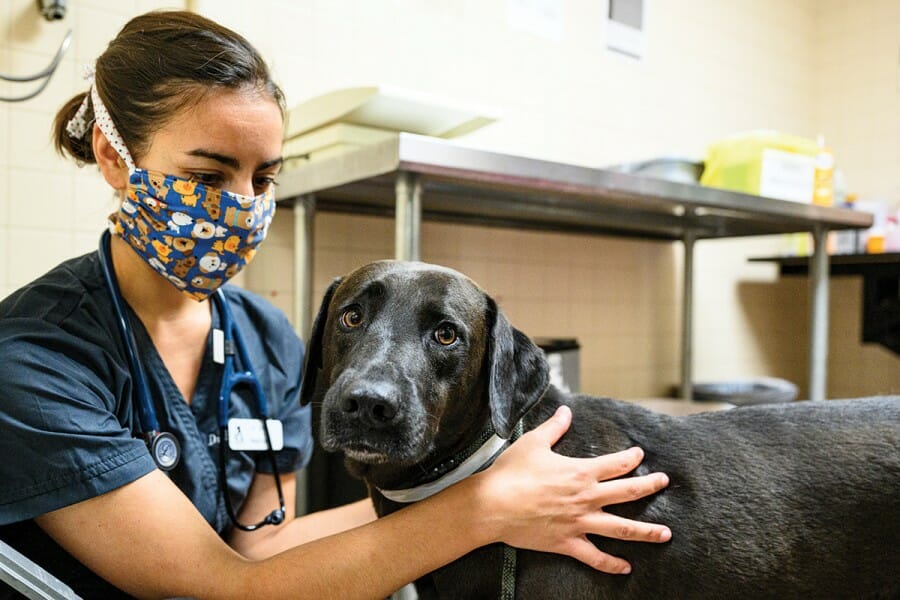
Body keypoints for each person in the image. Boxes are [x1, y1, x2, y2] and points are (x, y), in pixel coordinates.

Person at [0, 10, 671, 599]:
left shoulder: (260, 335)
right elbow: (226, 585)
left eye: (263, 177)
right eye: (207, 176)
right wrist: (481, 507)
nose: (241, 205)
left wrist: (495, 476)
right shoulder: (33, 361)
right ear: (114, 158)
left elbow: (263, 546)